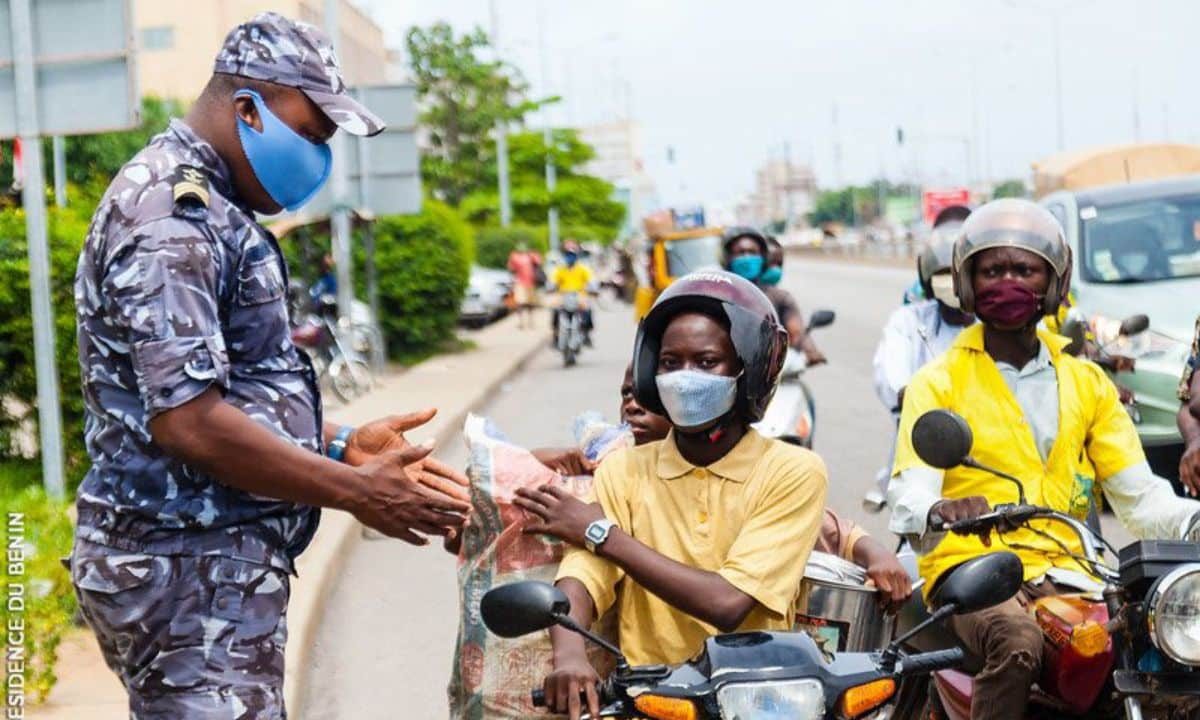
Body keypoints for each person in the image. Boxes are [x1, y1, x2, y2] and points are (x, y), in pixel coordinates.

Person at [71, 14, 471, 718]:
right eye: (313, 131)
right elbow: (188, 424)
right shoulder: (172, 217)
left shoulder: (214, 204)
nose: (318, 155)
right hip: (185, 564)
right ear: (248, 105)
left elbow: (224, 396)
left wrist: (342, 444)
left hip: (205, 566)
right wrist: (353, 490)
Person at [887, 199, 1200, 720]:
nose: (1006, 281)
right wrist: (942, 510)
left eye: (1024, 269)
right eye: (992, 270)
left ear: (1053, 282)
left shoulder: (1087, 382)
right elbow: (909, 491)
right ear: (967, 283)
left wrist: (1192, 520)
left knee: (1165, 646)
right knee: (1017, 643)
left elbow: (1139, 499)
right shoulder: (936, 382)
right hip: (975, 570)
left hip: (1076, 568)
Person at [514, 271, 828, 720]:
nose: (684, 378)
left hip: (758, 698)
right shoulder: (625, 469)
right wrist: (568, 654)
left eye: (706, 362)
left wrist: (600, 532)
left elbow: (727, 603)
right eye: (669, 363)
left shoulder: (793, 470)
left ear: (749, 370)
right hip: (651, 699)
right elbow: (586, 571)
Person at [615, 364, 910, 605]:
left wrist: (877, 554)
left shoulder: (753, 477)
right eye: (627, 394)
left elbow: (831, 531)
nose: (633, 407)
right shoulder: (611, 470)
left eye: (651, 398)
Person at [873, 217, 975, 419]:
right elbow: (890, 371)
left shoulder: (995, 320)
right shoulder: (908, 320)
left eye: (960, 274)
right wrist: (908, 394)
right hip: (924, 430)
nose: (953, 282)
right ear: (928, 279)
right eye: (944, 274)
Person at [723, 226, 826, 365]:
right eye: (740, 253)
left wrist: (810, 351)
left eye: (752, 252)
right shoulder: (718, 296)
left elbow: (796, 332)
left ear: (763, 259)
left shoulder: (780, 297)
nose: (746, 258)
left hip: (773, 369)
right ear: (728, 258)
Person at [549, 239, 596, 345]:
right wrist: (550, 287)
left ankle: (586, 334)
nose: (570, 257)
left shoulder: (583, 269)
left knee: (587, 311)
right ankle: (556, 335)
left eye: (572, 254)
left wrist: (594, 288)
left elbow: (592, 280)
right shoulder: (560, 269)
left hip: (579, 296)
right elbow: (553, 281)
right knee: (555, 310)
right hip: (564, 296)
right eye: (568, 254)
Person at [507, 241, 542, 329]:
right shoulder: (514, 256)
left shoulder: (530, 255)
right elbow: (511, 269)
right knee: (520, 303)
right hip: (519, 282)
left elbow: (539, 262)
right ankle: (522, 322)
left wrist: (533, 255)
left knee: (530, 303)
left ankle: (531, 321)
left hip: (531, 282)